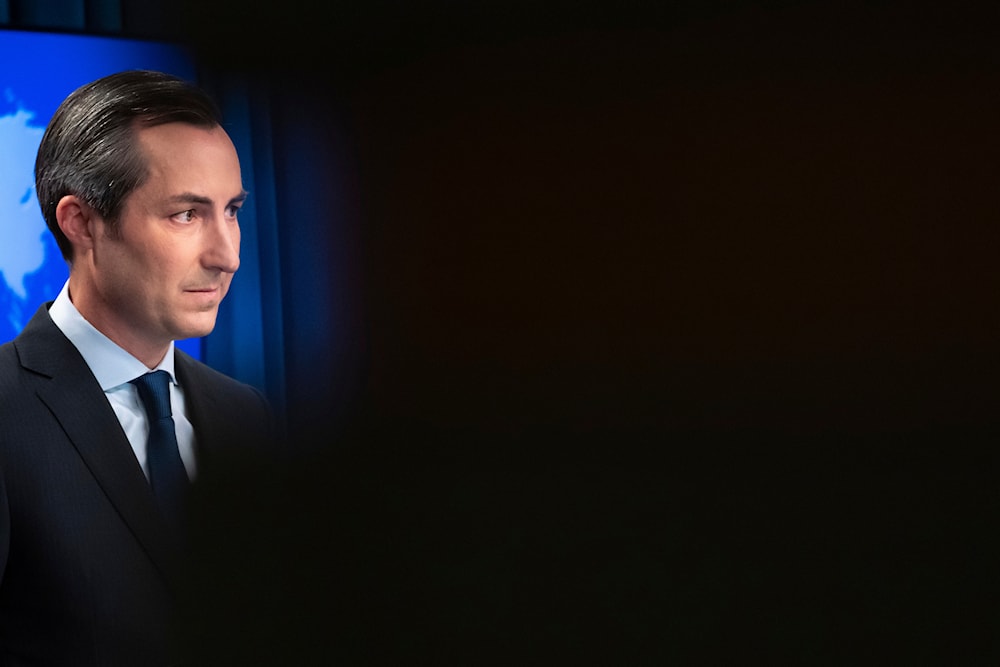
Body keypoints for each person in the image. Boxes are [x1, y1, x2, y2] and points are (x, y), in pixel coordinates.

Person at [0, 70, 277, 665]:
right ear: (81, 223)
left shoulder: (244, 413)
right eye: (185, 214)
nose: (227, 254)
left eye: (231, 210)